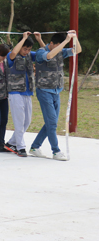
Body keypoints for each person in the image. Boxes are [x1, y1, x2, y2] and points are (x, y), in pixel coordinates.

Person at [29, 31, 81, 161]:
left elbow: (77, 50)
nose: (61, 48)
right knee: (52, 123)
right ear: (51, 43)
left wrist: (74, 38)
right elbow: (49, 55)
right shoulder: (41, 52)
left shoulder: (61, 51)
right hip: (44, 91)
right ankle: (56, 151)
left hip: (56, 92)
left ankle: (35, 147)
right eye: (58, 45)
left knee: (51, 123)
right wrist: (65, 41)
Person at [5, 32, 43, 157]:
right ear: (20, 45)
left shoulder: (30, 55)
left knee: (27, 121)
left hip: (27, 92)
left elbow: (45, 54)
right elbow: (13, 53)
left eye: (29, 49)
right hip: (15, 92)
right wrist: (24, 38)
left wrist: (39, 39)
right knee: (19, 121)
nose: (27, 51)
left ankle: (11, 143)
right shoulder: (11, 56)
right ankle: (20, 147)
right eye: (25, 48)